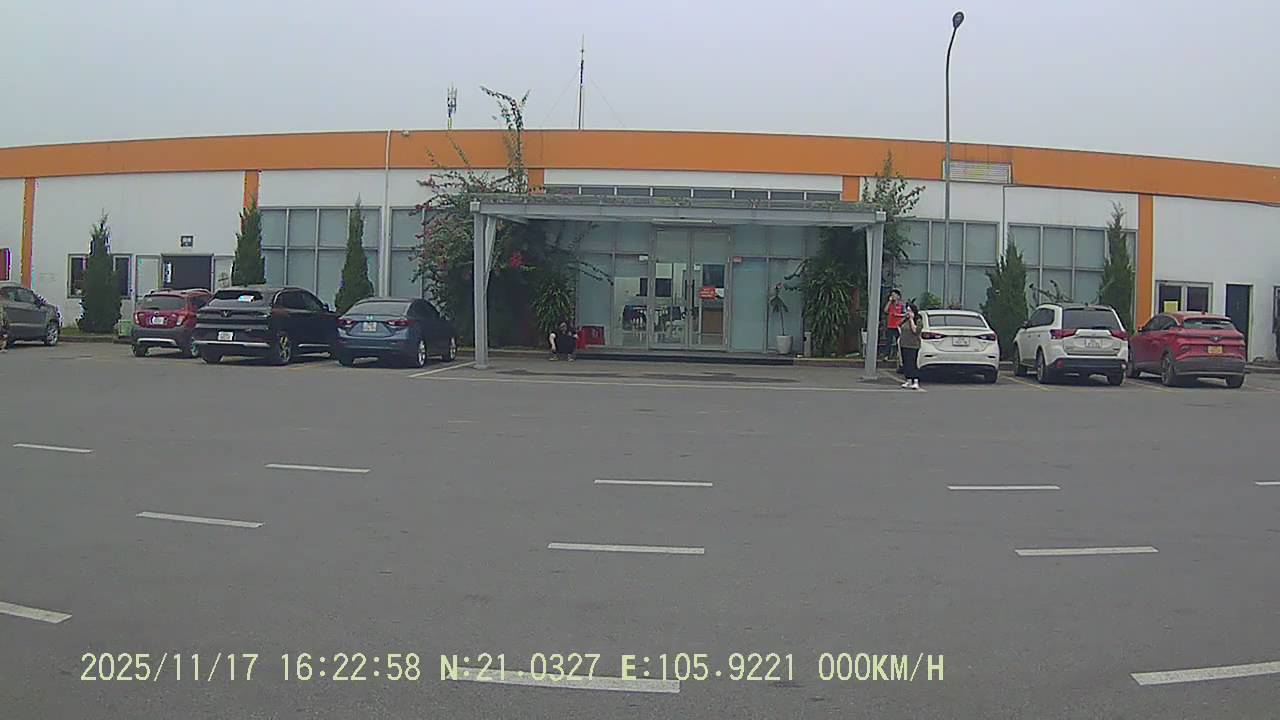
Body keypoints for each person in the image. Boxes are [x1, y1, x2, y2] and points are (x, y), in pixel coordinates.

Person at [898, 303, 923, 390]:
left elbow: (915, 330)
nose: (908, 312)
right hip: (904, 344)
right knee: (906, 363)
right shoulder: (905, 320)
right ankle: (908, 380)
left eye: (909, 311)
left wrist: (911, 319)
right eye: (907, 310)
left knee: (912, 363)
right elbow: (899, 325)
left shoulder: (918, 320)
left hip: (913, 345)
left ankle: (915, 381)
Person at [883, 289, 905, 360]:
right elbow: (885, 310)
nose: (893, 296)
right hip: (890, 325)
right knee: (888, 341)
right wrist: (889, 301)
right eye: (892, 295)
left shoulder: (901, 305)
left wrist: (898, 315)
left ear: (898, 296)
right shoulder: (890, 304)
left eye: (894, 295)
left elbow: (905, 314)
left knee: (899, 341)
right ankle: (886, 355)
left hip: (898, 326)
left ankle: (898, 355)